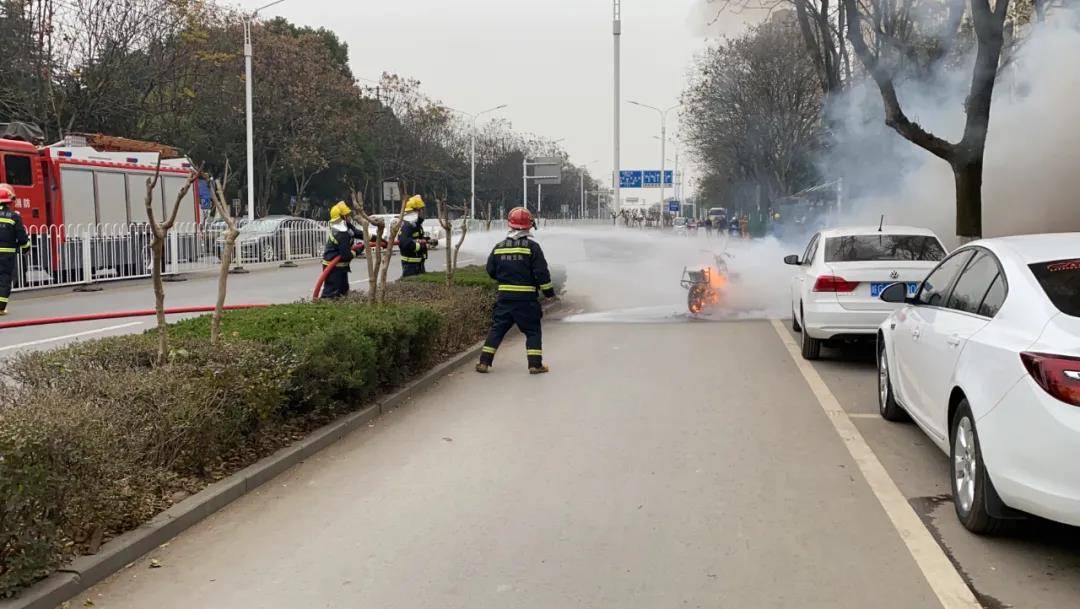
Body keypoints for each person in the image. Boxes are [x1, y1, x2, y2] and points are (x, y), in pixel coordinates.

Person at [476, 206, 556, 375]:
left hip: (504, 298)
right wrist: (549, 294)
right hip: (526, 300)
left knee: (497, 329)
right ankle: (535, 365)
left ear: (510, 225)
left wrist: (505, 278)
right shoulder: (532, 247)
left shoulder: (499, 247)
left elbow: (490, 270)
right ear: (529, 225)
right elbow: (541, 273)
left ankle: (484, 362)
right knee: (532, 330)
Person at [0, 183, 28, 315]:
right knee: (4, 279)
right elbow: (22, 237)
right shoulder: (14, 217)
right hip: (7, 256)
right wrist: (26, 248)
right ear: (9, 202)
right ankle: (0, 308)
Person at [321, 201, 357, 299]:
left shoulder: (346, 227)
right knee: (332, 293)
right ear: (342, 217)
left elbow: (357, 233)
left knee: (343, 291)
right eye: (347, 215)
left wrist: (375, 238)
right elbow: (346, 255)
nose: (350, 216)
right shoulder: (341, 233)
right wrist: (356, 251)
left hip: (340, 267)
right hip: (333, 268)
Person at [398, 195, 428, 277]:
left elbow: (416, 238)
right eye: (421, 210)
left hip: (418, 265)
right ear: (415, 211)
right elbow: (404, 243)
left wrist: (427, 240)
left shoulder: (416, 225)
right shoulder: (408, 225)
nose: (423, 212)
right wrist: (421, 245)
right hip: (410, 267)